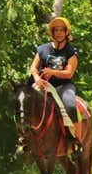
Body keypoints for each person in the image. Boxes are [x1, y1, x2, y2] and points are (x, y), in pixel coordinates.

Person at [19, 17, 81, 152]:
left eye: (61, 30)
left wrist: (52, 72)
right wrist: (36, 78)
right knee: (24, 102)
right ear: (52, 33)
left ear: (66, 32)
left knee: (70, 104)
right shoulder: (42, 49)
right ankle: (24, 138)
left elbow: (69, 73)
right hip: (43, 85)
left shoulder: (71, 51)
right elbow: (33, 68)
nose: (59, 33)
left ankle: (74, 139)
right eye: (56, 30)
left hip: (63, 86)